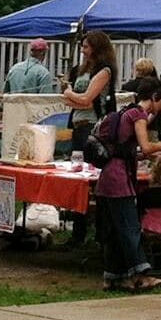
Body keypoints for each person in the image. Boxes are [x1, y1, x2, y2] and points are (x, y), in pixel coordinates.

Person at [97, 79, 161, 292]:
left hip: (108, 176)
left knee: (115, 229)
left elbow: (130, 149)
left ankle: (113, 277)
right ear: (154, 98)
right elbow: (146, 146)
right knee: (130, 227)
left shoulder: (126, 112)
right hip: (119, 180)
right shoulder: (138, 115)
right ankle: (141, 276)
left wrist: (147, 152)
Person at [58, 30, 117, 245]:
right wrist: (74, 97)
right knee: (78, 179)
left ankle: (99, 232)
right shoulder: (80, 70)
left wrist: (70, 94)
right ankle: (78, 230)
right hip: (78, 124)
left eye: (86, 47)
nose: (82, 50)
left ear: (97, 48)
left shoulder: (104, 71)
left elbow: (88, 99)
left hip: (94, 128)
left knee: (94, 178)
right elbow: (76, 102)